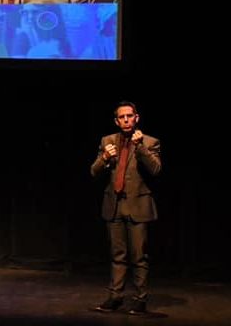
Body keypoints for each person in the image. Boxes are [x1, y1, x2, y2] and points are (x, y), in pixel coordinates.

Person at [90, 102, 161, 314]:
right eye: (122, 117)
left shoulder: (150, 141)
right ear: (117, 121)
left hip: (138, 206)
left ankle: (140, 299)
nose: (127, 120)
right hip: (114, 206)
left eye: (130, 116)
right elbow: (94, 171)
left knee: (139, 257)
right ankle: (115, 297)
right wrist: (104, 158)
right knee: (117, 255)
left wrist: (140, 148)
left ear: (137, 118)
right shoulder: (107, 141)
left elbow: (156, 169)